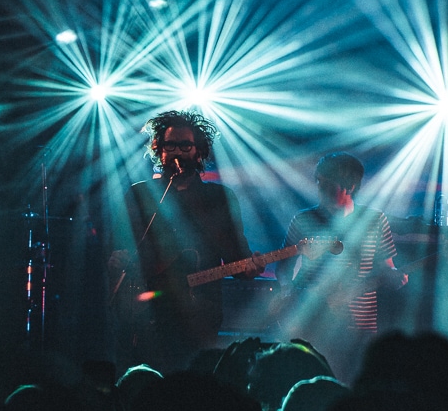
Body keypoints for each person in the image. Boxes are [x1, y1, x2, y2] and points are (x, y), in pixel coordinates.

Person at [109, 111, 263, 373]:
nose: (178, 152)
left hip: (200, 316)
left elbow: (237, 257)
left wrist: (250, 268)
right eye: (170, 145)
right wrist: (117, 259)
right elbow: (119, 246)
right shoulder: (139, 193)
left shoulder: (219, 197)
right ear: (159, 149)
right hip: (145, 314)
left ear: (199, 152)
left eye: (185, 146)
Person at [277, 152, 407, 383]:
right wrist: (292, 294)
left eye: (327, 182)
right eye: (318, 180)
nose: (319, 186)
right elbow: (283, 269)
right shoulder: (303, 220)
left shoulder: (374, 220)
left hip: (359, 326)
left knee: (353, 384)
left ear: (350, 185)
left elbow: (388, 268)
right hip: (313, 323)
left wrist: (395, 278)